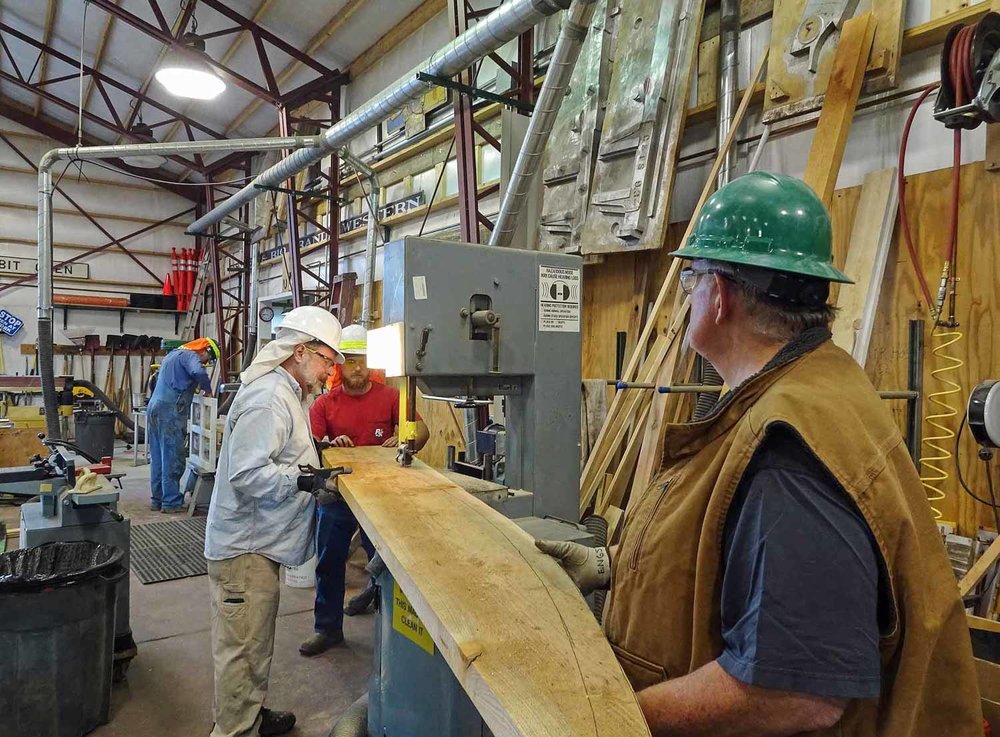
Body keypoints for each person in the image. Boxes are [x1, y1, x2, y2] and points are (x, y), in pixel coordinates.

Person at [537, 172, 982, 736]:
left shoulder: (790, 450)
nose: (687, 296)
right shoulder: (802, 389)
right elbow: (727, 555)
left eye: (691, 278)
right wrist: (611, 564)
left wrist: (608, 720)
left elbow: (794, 691)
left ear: (719, 297)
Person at [204, 306, 346, 737]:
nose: (328, 372)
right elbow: (247, 474)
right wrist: (305, 480)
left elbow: (282, 449)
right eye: (326, 360)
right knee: (242, 648)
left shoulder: (289, 393)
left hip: (259, 545)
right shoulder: (269, 397)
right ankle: (234, 730)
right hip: (245, 549)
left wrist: (314, 450)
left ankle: (250, 713)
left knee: (254, 643)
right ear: (300, 351)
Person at [299, 323, 430, 657]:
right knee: (329, 562)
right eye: (350, 361)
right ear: (339, 365)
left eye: (362, 361)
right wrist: (330, 443)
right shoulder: (324, 405)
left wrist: (404, 439)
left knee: (385, 563)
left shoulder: (391, 398)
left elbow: (422, 432)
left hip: (381, 497)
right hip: (337, 496)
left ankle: (388, 633)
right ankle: (327, 629)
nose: (357, 368)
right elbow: (311, 447)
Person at [147, 337, 218, 513]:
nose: (206, 363)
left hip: (154, 406)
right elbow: (198, 372)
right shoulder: (190, 355)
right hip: (170, 410)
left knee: (158, 455)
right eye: (207, 359)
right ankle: (171, 502)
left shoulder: (173, 354)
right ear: (205, 350)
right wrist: (206, 389)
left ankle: (158, 499)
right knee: (172, 456)